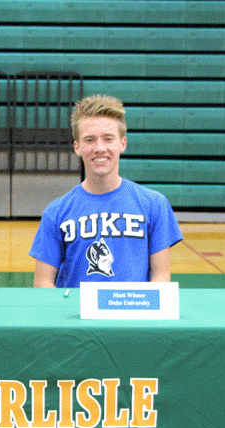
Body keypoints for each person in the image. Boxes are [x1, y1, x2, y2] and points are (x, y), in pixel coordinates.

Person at [29, 95, 182, 288]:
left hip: (133, 316)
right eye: (90, 140)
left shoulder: (154, 205)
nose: (100, 148)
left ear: (122, 143)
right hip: (78, 317)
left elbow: (161, 279)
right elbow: (42, 284)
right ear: (77, 147)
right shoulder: (56, 212)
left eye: (108, 139)